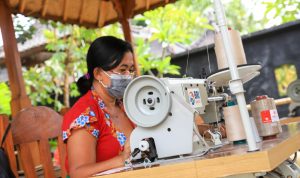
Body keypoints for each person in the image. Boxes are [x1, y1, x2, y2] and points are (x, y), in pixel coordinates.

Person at [62, 36, 135, 178]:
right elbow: (78, 173)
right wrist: (121, 160)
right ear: (98, 74)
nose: (128, 76)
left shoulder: (125, 107)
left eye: (131, 70)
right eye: (122, 70)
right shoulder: (84, 114)